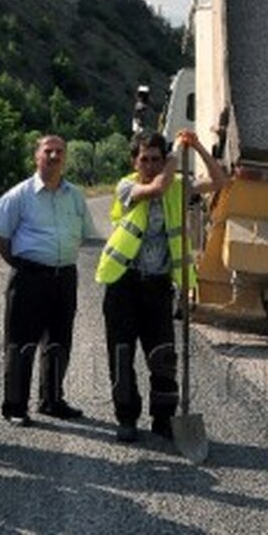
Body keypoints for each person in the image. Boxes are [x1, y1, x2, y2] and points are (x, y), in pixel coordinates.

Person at [95, 130, 228, 443]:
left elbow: (219, 181)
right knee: (121, 354)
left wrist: (197, 147)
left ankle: (164, 419)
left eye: (157, 159)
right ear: (134, 161)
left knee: (163, 356)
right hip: (123, 284)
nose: (151, 165)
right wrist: (175, 155)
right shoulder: (127, 186)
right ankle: (127, 417)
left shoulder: (178, 186)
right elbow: (157, 187)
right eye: (145, 159)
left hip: (158, 286)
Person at [0, 135, 99, 426]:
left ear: (65, 157)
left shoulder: (75, 196)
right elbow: (0, 237)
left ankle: (52, 400)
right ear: (36, 156)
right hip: (30, 277)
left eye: (59, 152)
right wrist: (23, 266)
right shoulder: (19, 195)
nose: (54, 156)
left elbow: (84, 234)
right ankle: (15, 406)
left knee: (60, 341)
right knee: (20, 343)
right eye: (48, 151)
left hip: (64, 277)